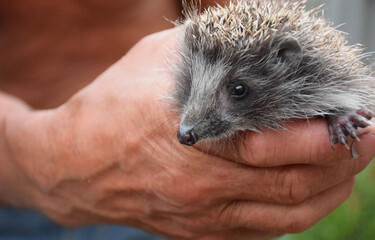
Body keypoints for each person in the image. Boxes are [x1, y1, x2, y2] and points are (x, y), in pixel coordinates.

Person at [1, 1, 375, 239]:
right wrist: (36, 159)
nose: (188, 129)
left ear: (288, 65)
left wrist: (340, 118)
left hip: (189, 209)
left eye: (239, 92)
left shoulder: (307, 78)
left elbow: (233, 18)